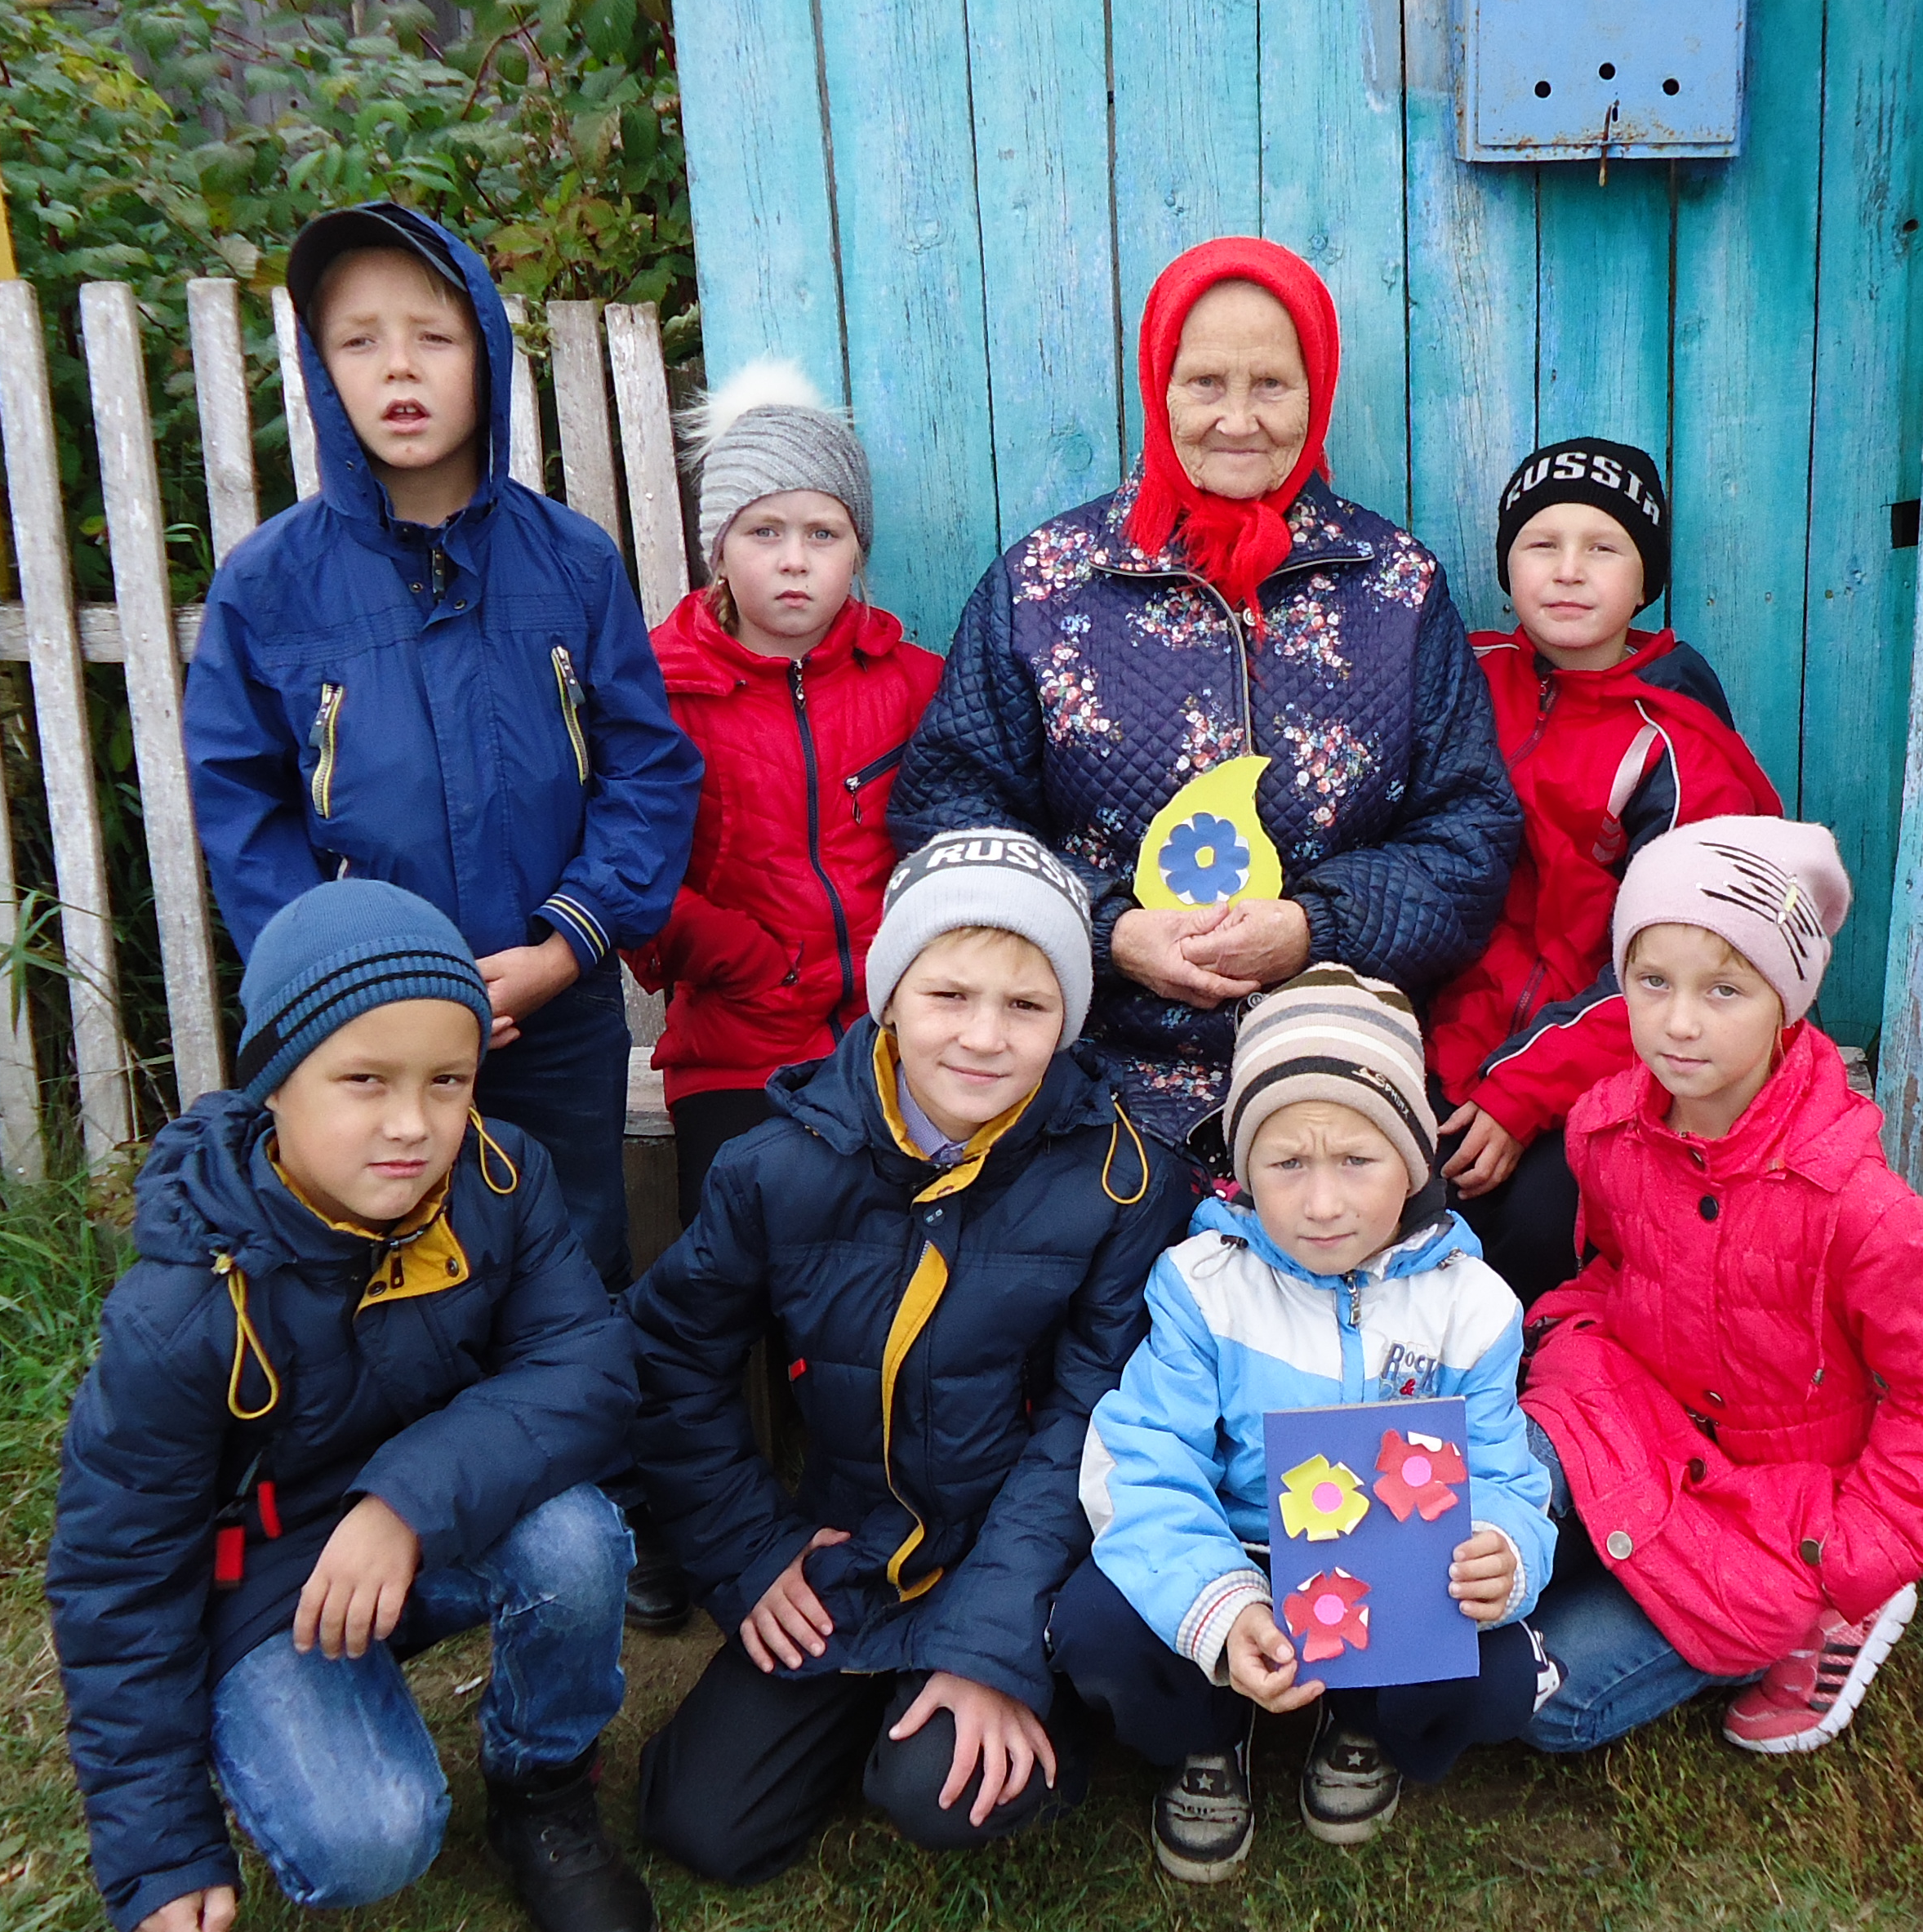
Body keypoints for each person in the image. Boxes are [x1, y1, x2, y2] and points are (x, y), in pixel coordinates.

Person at [47, 880, 658, 1932]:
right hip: (272, 1581)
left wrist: (405, 1503)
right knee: (371, 1841)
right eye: (365, 1080)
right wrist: (157, 1848)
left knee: (575, 1539)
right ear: (275, 1081)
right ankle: (272, 1722)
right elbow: (117, 1574)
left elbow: (587, 1364)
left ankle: (543, 1785)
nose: (413, 1124)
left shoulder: (502, 1179)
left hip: (437, 1522)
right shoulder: (181, 1308)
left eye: (447, 1081)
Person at [625, 829, 1188, 1885]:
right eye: (948, 995)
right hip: (857, 1548)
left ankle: (1029, 1687)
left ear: (1069, 1019)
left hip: (1027, 1553)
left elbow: (1094, 1417)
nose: (983, 1037)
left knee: (938, 1792)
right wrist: (751, 1550)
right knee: (703, 1826)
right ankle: (876, 1685)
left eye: (1028, 1006)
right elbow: (670, 1355)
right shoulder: (775, 1167)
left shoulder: (1123, 1181)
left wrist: (990, 1645)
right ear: (890, 998)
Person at [892, 234, 1519, 1158]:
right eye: (1205, 383)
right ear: (1160, 389)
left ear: (1317, 392)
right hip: (1090, 1074)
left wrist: (1313, 929)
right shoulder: (1045, 585)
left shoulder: (1394, 585)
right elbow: (950, 812)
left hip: (1337, 1074)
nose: (1238, 418)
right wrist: (1110, 932)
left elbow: (1470, 833)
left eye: (1271, 384)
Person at [182, 202, 700, 1288]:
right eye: (358, 341)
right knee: (370, 1276)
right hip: (360, 1032)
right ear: (321, 371)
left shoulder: (572, 563)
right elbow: (244, 811)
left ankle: (577, 1406)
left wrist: (568, 944)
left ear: (489, 357)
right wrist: (346, 986)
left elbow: (648, 769)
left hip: (550, 1008)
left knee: (567, 1264)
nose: (398, 368)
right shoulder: (269, 587)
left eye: (434, 336)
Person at [1518, 818, 1923, 1760]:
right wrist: (1568, 1342)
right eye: (1652, 981)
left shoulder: (1858, 1206)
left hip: (1778, 1513)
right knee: (1492, 1551)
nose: (1679, 1022)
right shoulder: (1606, 1131)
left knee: (1547, 1702)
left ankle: (1826, 1619)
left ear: (1787, 1002)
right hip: (1639, 1427)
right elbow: (1611, 1268)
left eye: (1724, 990)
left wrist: (1849, 1557)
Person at [1058, 968, 1554, 1881]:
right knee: (1098, 1622)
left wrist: (1506, 1549)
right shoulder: (1202, 1287)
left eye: (1357, 1161)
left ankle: (1362, 1720)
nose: (1322, 1204)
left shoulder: (1473, 1305)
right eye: (1287, 1164)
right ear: (1246, 1171)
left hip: (1395, 1575)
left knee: (1498, 1674)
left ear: (1413, 1163)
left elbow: (1504, 1470)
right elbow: (1143, 1462)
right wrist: (1223, 1606)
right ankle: (1208, 1731)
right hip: (1239, 1553)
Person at [1424, 438, 1783, 1310]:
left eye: (1604, 547)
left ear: (1644, 578)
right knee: (1382, 1188)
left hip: (1606, 1052)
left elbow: (1677, 966)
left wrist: (1522, 1092)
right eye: (1542, 544)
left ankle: (1546, 1374)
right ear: (1508, 566)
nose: (1569, 571)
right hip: (1447, 1029)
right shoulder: (1469, 676)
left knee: (1540, 1224)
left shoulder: (1678, 744)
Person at [625, 359, 941, 1234]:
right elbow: (631, 871)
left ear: (857, 550)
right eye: (764, 531)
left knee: (900, 1262)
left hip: (898, 1043)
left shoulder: (913, 684)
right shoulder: (658, 691)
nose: (794, 560)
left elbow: (956, 844)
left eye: (823, 533)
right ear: (719, 548)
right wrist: (749, 962)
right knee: (738, 1258)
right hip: (735, 1050)